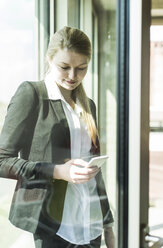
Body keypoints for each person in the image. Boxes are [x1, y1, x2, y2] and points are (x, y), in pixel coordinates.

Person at [0, 26, 114, 248]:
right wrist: (57, 171)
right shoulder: (32, 94)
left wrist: (107, 222)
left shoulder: (88, 105)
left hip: (91, 223)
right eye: (65, 67)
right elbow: (2, 160)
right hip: (53, 225)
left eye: (81, 68)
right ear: (49, 59)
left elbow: (94, 172)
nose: (73, 76)